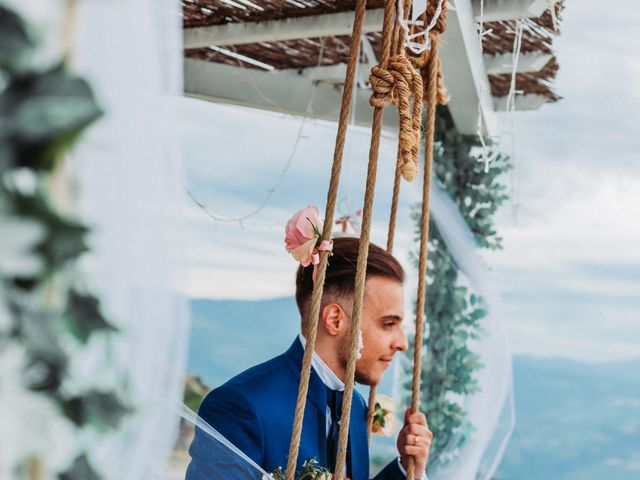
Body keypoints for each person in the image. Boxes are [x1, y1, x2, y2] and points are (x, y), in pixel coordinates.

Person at [186, 237, 432, 479]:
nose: (402, 343)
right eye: (388, 324)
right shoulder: (241, 406)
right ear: (335, 320)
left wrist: (406, 468)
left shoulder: (355, 407)